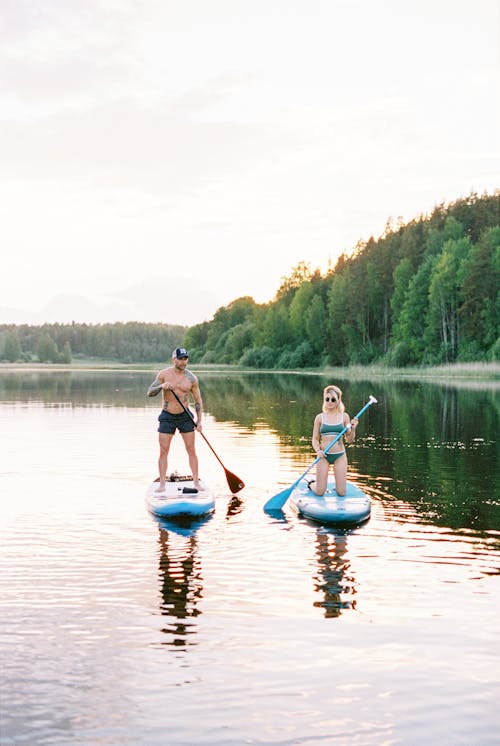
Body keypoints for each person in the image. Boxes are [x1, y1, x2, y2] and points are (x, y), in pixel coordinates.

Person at [147, 347, 203, 492]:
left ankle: (196, 483)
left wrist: (199, 421)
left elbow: (198, 401)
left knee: (191, 449)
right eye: (180, 358)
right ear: (174, 359)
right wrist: (161, 386)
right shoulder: (164, 374)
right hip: (167, 416)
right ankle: (162, 485)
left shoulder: (191, 378)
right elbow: (150, 393)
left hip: (185, 416)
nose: (183, 361)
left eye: (185, 358)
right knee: (164, 450)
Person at [308, 384, 358, 497]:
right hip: (323, 456)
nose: (329, 401)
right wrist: (318, 451)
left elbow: (349, 440)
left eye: (333, 399)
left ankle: (339, 486)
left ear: (338, 400)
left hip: (339, 456)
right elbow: (315, 439)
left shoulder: (344, 417)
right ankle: (312, 484)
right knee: (320, 492)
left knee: (341, 493)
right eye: (327, 399)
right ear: (324, 399)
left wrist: (353, 428)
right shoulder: (319, 418)